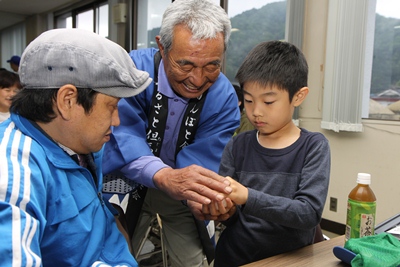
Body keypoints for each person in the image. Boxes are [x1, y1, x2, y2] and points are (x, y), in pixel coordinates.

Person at [101, 0, 240, 266]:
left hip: (179, 188)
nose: (197, 80)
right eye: (185, 65)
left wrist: (203, 197)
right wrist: (163, 176)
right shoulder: (132, 73)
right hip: (125, 178)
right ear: (162, 47)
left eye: (212, 65)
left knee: (191, 260)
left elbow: (203, 158)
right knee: (114, 253)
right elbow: (122, 137)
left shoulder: (222, 97)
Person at [0, 28, 153, 266]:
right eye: (112, 107)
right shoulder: (13, 173)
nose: (117, 121)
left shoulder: (81, 142)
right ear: (68, 101)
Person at [207, 41, 331, 267]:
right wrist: (222, 208)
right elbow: (233, 216)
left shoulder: (313, 146)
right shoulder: (237, 146)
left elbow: (308, 213)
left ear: (298, 96)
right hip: (235, 257)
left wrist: (247, 196)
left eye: (268, 101)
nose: (256, 112)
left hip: (291, 260)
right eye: (249, 100)